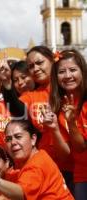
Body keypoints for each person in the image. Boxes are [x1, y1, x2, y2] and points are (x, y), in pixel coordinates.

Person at [0, 46, 72, 180]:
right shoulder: (32, 96)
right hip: (46, 168)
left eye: (39, 63)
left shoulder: (68, 87)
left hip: (75, 167)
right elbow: (18, 111)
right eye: (31, 66)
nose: (35, 68)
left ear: (52, 60)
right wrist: (7, 83)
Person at [0, 119, 74, 200]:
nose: (13, 142)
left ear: (33, 139)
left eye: (18, 137)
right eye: (8, 139)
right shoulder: (35, 158)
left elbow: (21, 193)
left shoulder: (37, 164)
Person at [49, 49, 87, 199]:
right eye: (62, 72)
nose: (68, 76)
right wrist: (67, 125)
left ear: (82, 71)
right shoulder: (59, 108)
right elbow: (79, 148)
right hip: (82, 176)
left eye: (72, 70)